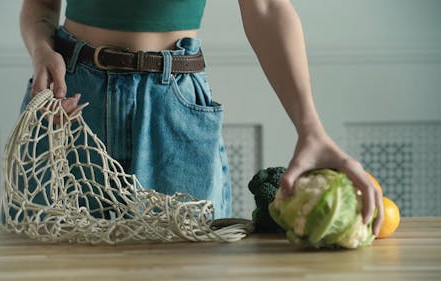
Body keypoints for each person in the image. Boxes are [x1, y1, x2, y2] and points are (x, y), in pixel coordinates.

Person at [19, 0, 383, 234]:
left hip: (172, 110)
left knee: (192, 268)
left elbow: (267, 7)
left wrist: (311, 129)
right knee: (46, 266)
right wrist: (40, 50)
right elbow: (41, 6)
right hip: (68, 100)